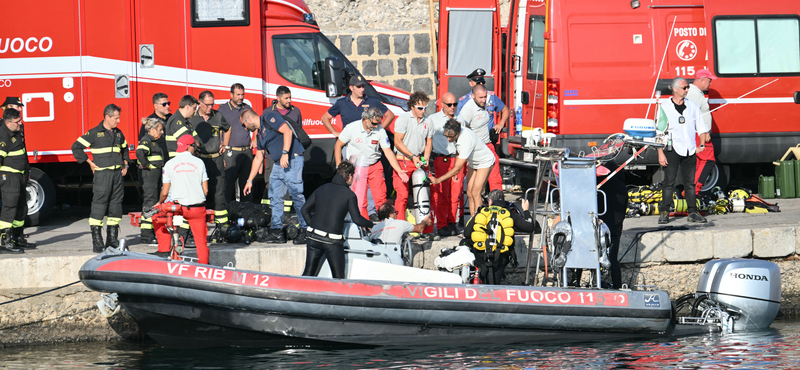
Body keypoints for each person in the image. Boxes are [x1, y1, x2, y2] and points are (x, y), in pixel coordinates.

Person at [241, 110, 308, 244]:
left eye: (244, 125)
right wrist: (249, 180)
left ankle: (305, 230)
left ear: (248, 119)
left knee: (296, 194)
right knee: (274, 195)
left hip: (292, 160)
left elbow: (287, 131)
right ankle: (277, 231)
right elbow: (258, 157)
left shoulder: (270, 117)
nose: (245, 128)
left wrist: (285, 153)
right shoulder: (259, 134)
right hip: (278, 165)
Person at [72, 104, 130, 252]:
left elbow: (125, 148)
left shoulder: (118, 133)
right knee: (99, 205)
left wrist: (125, 163)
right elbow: (76, 147)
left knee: (116, 206)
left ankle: (111, 240)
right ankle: (97, 241)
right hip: (102, 174)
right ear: (107, 117)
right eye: (116, 118)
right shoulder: (94, 133)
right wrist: (89, 162)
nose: (118, 121)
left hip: (117, 174)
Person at [300, 161, 374, 279]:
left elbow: (304, 210)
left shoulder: (321, 188)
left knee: (308, 273)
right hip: (332, 241)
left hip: (313, 237)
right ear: (349, 176)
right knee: (338, 278)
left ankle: (298, 294)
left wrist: (313, 225)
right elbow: (357, 219)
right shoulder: (349, 195)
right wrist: (371, 224)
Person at [334, 107, 408, 219]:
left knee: (381, 197)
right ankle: (364, 227)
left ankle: (386, 225)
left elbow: (388, 151)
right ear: (365, 119)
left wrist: (399, 170)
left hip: (374, 166)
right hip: (357, 167)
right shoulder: (352, 128)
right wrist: (339, 167)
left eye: (378, 123)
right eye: (374, 123)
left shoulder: (380, 130)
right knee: (360, 199)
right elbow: (338, 146)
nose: (376, 126)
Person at [657, 77, 709, 224]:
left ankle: (692, 212)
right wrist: (660, 153)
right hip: (672, 149)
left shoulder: (692, 106)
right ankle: (664, 212)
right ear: (675, 89)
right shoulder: (664, 107)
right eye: (684, 87)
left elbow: (702, 127)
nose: (687, 90)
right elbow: (659, 132)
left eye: (687, 88)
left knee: (690, 184)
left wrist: (702, 146)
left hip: (690, 150)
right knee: (669, 183)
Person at [153, 135, 210, 263]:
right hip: (197, 207)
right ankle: (204, 267)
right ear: (191, 146)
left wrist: (160, 203)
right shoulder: (199, 162)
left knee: (156, 216)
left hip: (177, 209)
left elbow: (165, 192)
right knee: (201, 242)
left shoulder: (170, 164)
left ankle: (165, 250)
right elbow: (205, 190)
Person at [464, 189, 539, 284]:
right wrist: (526, 210)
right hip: (500, 256)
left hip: (481, 254)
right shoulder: (509, 214)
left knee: (482, 283)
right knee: (495, 284)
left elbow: (466, 233)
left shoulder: (482, 213)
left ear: (490, 201)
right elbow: (530, 227)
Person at [429, 119, 494, 219]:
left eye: (450, 137)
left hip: (485, 161)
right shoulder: (459, 130)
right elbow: (459, 153)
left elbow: (457, 168)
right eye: (446, 136)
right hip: (473, 162)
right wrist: (456, 169)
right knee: (469, 192)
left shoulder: (465, 141)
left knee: (476, 193)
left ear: (457, 133)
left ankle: (481, 223)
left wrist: (438, 180)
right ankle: (473, 222)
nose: (448, 139)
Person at [393, 91, 433, 235]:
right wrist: (412, 156)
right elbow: (397, 142)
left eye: (425, 108)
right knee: (402, 197)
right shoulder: (403, 119)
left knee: (424, 196)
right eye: (420, 108)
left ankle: (426, 230)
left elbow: (429, 142)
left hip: (419, 162)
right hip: (403, 161)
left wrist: (426, 157)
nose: (423, 111)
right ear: (412, 107)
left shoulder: (428, 121)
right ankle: (400, 230)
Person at [190, 91, 230, 235]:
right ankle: (200, 227)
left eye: (212, 104)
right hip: (199, 160)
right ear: (200, 103)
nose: (210, 107)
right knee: (200, 193)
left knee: (219, 192)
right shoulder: (192, 118)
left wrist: (225, 144)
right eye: (207, 104)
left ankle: (222, 227)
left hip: (216, 158)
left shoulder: (217, 116)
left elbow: (228, 128)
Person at [457, 84, 504, 192]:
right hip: (476, 150)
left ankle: (497, 204)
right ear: (473, 96)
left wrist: (501, 123)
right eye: (480, 97)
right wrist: (467, 154)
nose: (483, 100)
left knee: (495, 180)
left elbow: (505, 109)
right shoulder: (468, 109)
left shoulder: (485, 103)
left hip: (487, 146)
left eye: (485, 97)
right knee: (474, 191)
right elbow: (462, 132)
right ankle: (477, 208)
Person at [260, 86, 300, 213]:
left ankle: (286, 213)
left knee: (288, 184)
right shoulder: (267, 112)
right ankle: (268, 212)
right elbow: (262, 133)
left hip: (290, 155)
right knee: (270, 184)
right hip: (272, 156)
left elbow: (298, 132)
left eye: (290, 97)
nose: (289, 100)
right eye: (286, 98)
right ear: (278, 98)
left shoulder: (296, 111)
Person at [429, 92, 463, 237]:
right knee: (441, 193)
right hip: (441, 159)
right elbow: (428, 140)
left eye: (455, 104)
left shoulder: (461, 119)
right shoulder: (433, 119)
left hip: (457, 158)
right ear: (442, 104)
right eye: (449, 105)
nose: (452, 107)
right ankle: (442, 223)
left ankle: (451, 222)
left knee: (455, 194)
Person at [0, 109, 34, 253]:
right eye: (17, 121)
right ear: (8, 123)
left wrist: (27, 171)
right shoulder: (3, 135)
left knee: (22, 207)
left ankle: (18, 238)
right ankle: (5, 241)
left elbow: (23, 154)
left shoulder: (17, 133)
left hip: (20, 175)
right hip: (9, 177)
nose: (20, 123)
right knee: (10, 207)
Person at [321, 75, 395, 136]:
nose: (362, 89)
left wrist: (378, 130)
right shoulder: (342, 103)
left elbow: (390, 115)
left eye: (363, 86)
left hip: (368, 142)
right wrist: (335, 132)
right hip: (349, 142)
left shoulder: (372, 101)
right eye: (359, 87)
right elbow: (325, 118)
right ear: (351, 88)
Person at [220, 83, 255, 203]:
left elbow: (256, 124)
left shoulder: (247, 108)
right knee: (228, 185)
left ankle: (247, 212)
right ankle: (230, 211)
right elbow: (218, 129)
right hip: (230, 153)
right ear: (231, 95)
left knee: (247, 184)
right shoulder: (223, 109)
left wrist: (255, 139)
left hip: (246, 152)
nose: (241, 97)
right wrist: (221, 147)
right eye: (238, 94)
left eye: (242, 94)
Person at [135, 117, 165, 244]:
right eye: (160, 130)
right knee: (150, 202)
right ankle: (146, 234)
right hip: (150, 176)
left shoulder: (153, 141)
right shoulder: (146, 140)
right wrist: (146, 164)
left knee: (154, 202)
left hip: (155, 174)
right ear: (152, 130)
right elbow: (139, 152)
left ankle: (151, 232)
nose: (162, 132)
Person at [688, 69, 717, 195]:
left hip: (698, 134)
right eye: (709, 81)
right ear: (702, 79)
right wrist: (703, 133)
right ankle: (694, 191)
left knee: (700, 163)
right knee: (708, 160)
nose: (710, 83)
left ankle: (690, 192)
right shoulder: (694, 94)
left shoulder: (696, 93)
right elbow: (690, 116)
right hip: (699, 135)